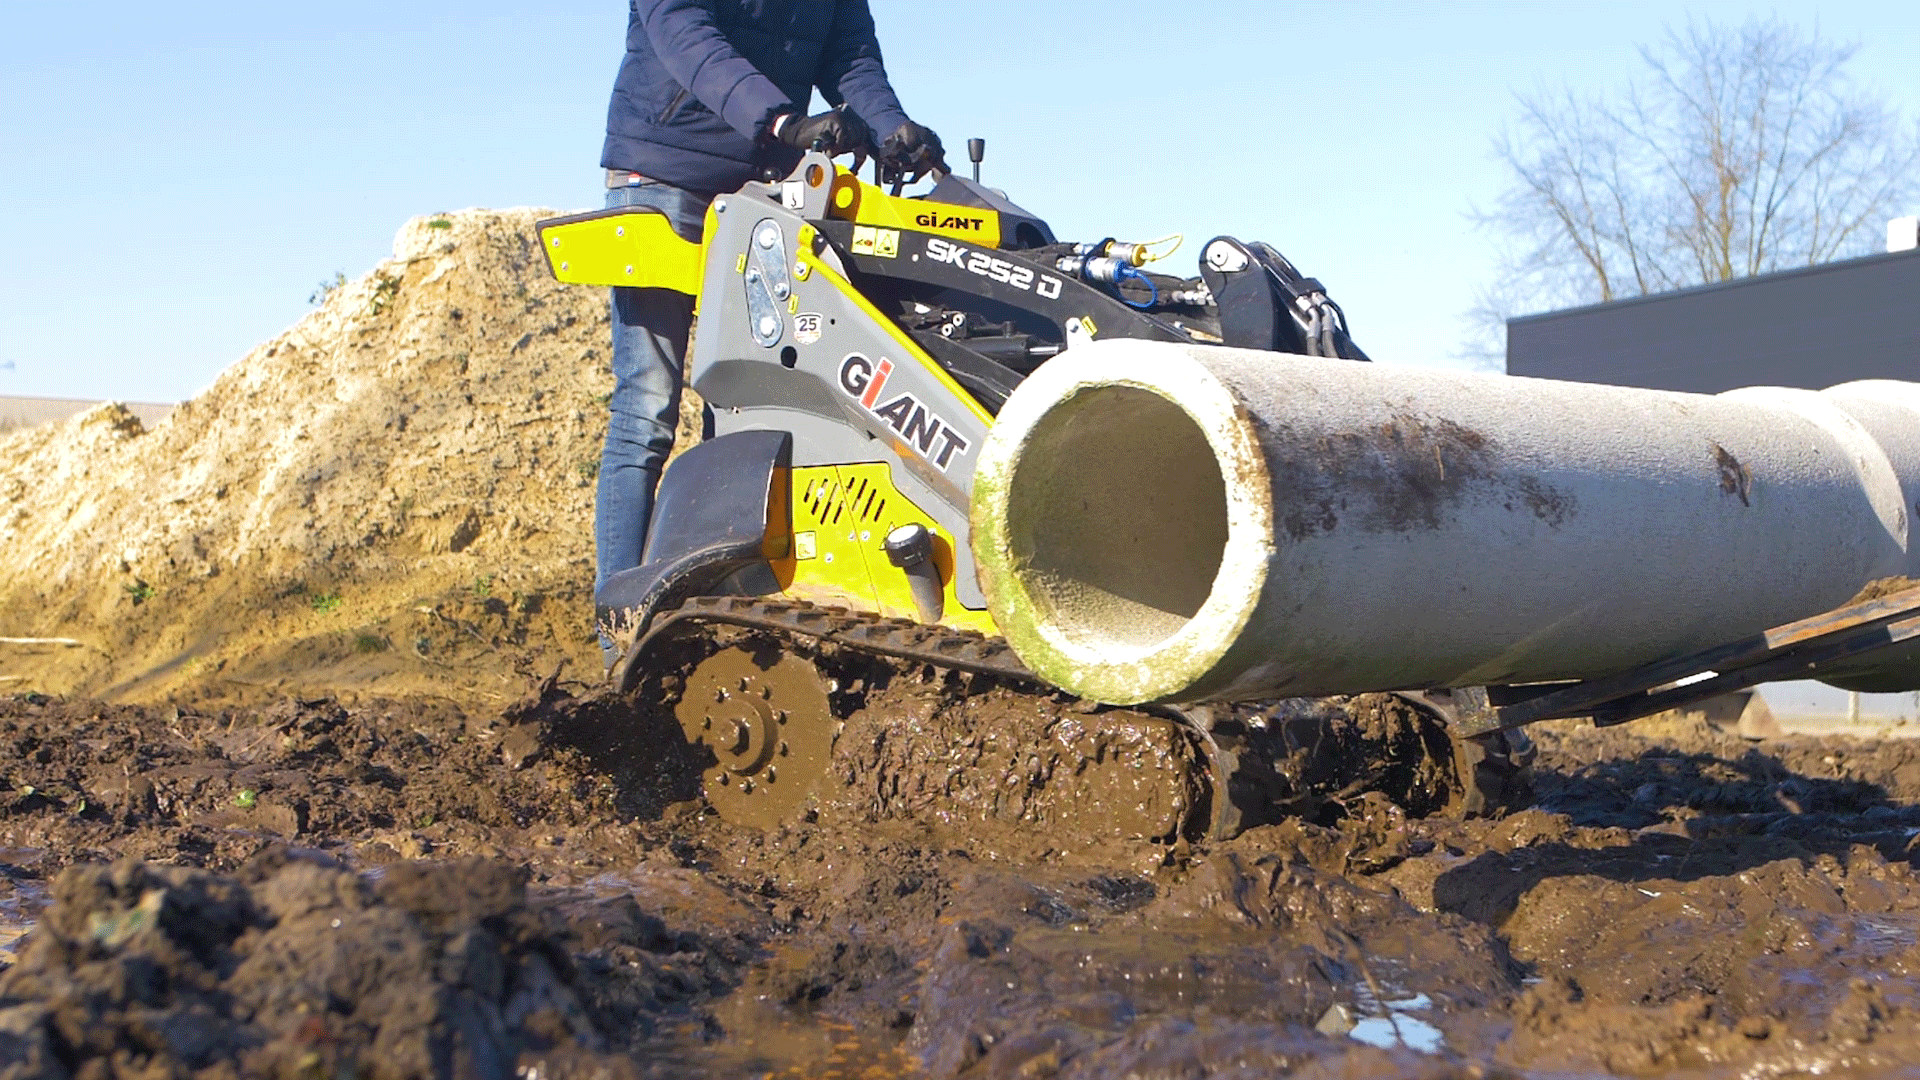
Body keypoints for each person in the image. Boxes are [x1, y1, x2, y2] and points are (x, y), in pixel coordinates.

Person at [594, 0, 946, 625]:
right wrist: (781, 121)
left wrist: (892, 128)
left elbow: (850, 56)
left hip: (763, 185)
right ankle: (619, 634)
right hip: (665, 175)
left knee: (747, 403)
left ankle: (720, 619)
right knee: (646, 409)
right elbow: (687, 35)